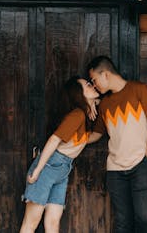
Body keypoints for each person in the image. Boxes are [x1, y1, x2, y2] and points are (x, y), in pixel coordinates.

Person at [87, 56, 147, 233]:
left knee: (144, 219)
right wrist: (69, 140)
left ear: (105, 74)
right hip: (115, 172)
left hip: (140, 166)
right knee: (122, 222)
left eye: (94, 80)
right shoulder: (105, 104)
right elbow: (96, 134)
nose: (94, 85)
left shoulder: (139, 90)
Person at [19, 76, 100, 233]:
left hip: (63, 170)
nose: (93, 86)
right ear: (79, 94)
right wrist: (37, 170)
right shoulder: (77, 115)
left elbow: (94, 136)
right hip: (48, 167)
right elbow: (53, 141)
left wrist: (96, 103)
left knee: (53, 223)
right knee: (31, 223)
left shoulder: (84, 116)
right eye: (88, 85)